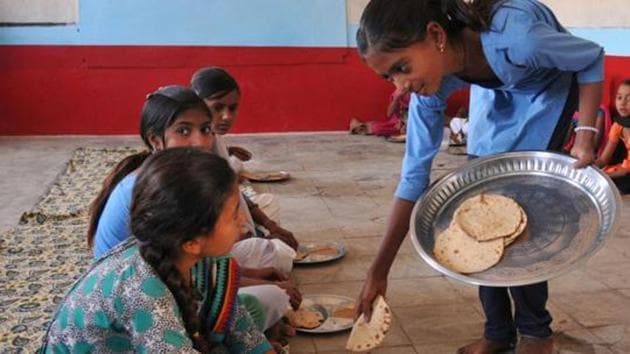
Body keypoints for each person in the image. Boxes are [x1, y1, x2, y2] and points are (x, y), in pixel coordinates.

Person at [354, 1, 603, 353]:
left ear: (436, 35)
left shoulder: (519, 38)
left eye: (401, 67)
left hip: (546, 92)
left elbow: (590, 57)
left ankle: (536, 334)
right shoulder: (428, 88)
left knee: (523, 217)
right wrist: (378, 271)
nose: (400, 85)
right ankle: (497, 333)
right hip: (496, 92)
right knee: (479, 212)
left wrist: (586, 135)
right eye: (388, 76)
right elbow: (413, 177)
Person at [87, 85, 300, 349]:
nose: (200, 142)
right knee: (268, 298)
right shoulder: (147, 292)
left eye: (205, 130)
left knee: (234, 291)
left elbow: (239, 324)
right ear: (155, 140)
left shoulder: (198, 255)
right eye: (183, 131)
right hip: (145, 296)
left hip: (173, 270)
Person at [42, 148, 274, 353]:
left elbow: (243, 332)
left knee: (244, 313)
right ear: (192, 242)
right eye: (234, 214)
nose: (243, 220)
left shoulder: (195, 256)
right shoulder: (142, 290)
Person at [191, 67, 298, 250]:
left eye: (233, 108)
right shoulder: (192, 151)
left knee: (269, 202)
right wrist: (250, 236)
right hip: (209, 237)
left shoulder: (215, 139)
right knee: (278, 255)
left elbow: (234, 193)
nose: (227, 116)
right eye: (217, 107)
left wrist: (270, 225)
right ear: (198, 106)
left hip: (230, 221)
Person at [596, 79, 630, 189]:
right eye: (619, 97)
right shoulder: (618, 125)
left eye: (629, 99)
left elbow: (625, 171)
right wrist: (591, 167)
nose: (622, 103)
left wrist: (606, 175)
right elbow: (603, 159)